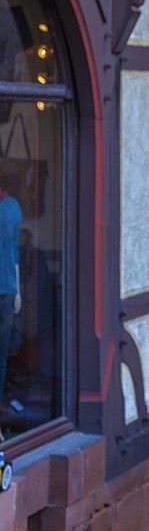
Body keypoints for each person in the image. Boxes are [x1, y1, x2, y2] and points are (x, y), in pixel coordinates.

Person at [0, 185, 22, 434]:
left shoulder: (12, 207)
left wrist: (18, 290)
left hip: (6, 286)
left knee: (2, 351)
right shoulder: (13, 208)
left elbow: (15, 251)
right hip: (7, 285)